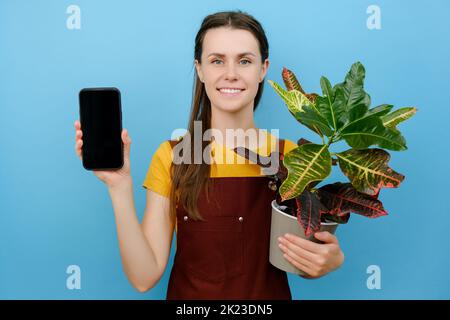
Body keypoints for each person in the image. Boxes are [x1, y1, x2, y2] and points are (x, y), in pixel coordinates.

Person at [74, 10, 344, 300]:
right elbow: (144, 277)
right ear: (200, 69)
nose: (231, 73)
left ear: (263, 69)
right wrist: (119, 188)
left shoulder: (293, 158)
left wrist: (331, 260)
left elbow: (305, 255)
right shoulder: (172, 156)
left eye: (244, 60)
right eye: (217, 60)